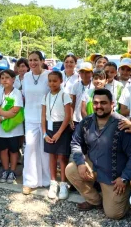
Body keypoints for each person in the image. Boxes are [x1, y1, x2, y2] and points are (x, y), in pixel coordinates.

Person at [66, 89, 131, 219]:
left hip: (115, 176)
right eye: (96, 103)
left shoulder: (122, 125)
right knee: (71, 170)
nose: (99, 106)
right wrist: (80, 163)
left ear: (112, 104)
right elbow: (75, 142)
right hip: (93, 167)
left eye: (103, 103)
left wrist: (125, 177)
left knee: (114, 214)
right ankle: (95, 200)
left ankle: (123, 193)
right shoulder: (87, 121)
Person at [22, 51, 51, 195]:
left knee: (45, 150)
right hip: (30, 118)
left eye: (36, 60)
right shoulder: (26, 77)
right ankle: (30, 181)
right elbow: (24, 97)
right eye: (30, 60)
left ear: (41, 61)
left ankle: (47, 180)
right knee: (30, 149)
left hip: (46, 118)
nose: (33, 63)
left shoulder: (48, 76)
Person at [41, 71, 72, 199]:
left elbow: (68, 116)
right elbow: (43, 116)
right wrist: (44, 133)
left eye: (55, 80)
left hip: (62, 128)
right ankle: (53, 183)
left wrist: (59, 132)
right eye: (50, 81)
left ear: (61, 81)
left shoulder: (65, 96)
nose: (52, 83)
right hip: (49, 127)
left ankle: (63, 184)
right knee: (52, 156)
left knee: (62, 157)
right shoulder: (45, 96)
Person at [0, 69, 24, 184]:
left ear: (13, 79)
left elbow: (16, 110)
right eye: (2, 78)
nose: (4, 80)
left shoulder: (17, 93)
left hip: (14, 127)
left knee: (14, 150)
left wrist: (2, 117)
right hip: (1, 128)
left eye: (7, 77)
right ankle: (5, 170)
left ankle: (12, 171)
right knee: (3, 149)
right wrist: (6, 115)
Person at [71, 62, 94, 126]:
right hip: (76, 118)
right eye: (82, 72)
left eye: (87, 72)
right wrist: (70, 118)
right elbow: (73, 103)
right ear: (79, 73)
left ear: (92, 73)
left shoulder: (94, 86)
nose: (84, 74)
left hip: (90, 118)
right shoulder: (76, 85)